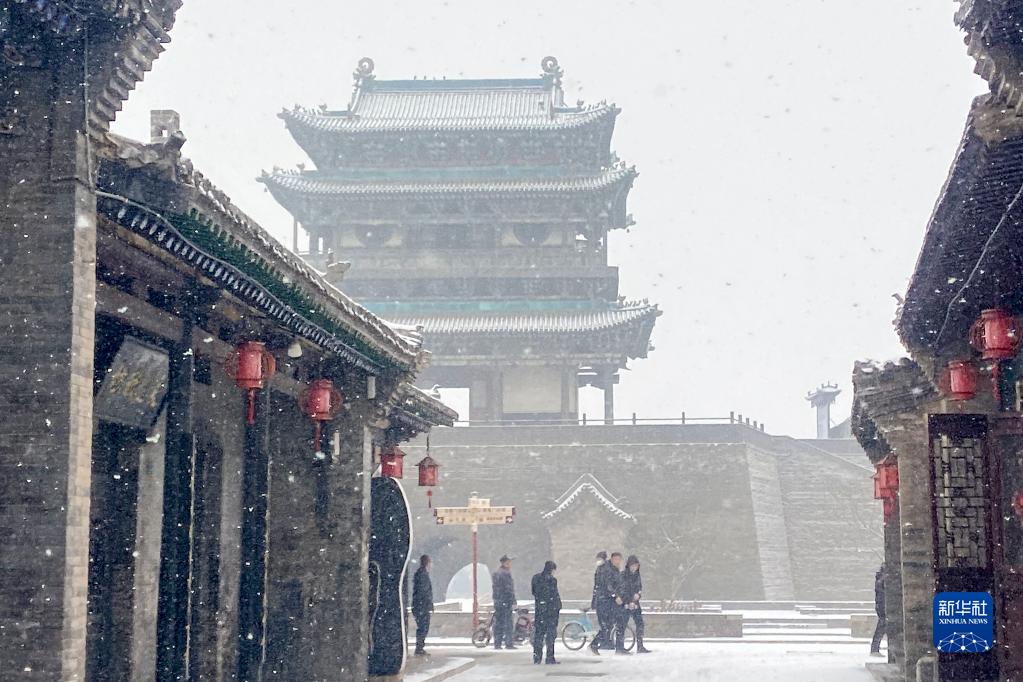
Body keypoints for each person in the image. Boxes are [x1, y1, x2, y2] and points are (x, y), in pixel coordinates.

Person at [531, 560, 563, 665]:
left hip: (540, 611)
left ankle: (537, 657)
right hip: (550, 612)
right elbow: (554, 596)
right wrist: (557, 607)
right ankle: (550, 657)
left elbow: (534, 592)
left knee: (539, 635)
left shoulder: (535, 578)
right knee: (550, 636)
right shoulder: (552, 580)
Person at [621, 555, 651, 653]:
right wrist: (629, 601)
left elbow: (639, 588)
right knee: (622, 625)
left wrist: (638, 595)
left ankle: (640, 645)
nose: (634, 568)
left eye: (636, 566)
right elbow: (623, 590)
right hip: (626, 604)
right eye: (632, 565)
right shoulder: (623, 575)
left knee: (640, 623)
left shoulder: (637, 576)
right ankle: (620, 646)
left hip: (635, 603)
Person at [589, 551, 615, 655]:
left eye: (599, 559)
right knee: (606, 625)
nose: (598, 561)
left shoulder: (605, 570)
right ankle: (603, 642)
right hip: (603, 600)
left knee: (606, 625)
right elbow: (597, 587)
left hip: (604, 600)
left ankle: (598, 643)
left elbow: (605, 586)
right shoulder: (600, 569)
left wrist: (612, 594)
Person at [492, 554, 517, 650]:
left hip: (498, 601)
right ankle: (508, 643)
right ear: (505, 563)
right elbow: (508, 589)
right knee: (508, 623)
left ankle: (497, 643)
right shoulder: (505, 574)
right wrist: (513, 600)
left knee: (499, 622)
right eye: (509, 562)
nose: (511, 564)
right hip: (505, 601)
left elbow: (496, 588)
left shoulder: (497, 573)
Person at [608, 552, 631, 655]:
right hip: (614, 603)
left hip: (621, 602)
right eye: (615, 559)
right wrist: (615, 596)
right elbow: (609, 586)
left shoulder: (618, 573)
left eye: (619, 559)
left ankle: (620, 647)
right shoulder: (610, 572)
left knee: (621, 626)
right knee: (617, 626)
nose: (617, 561)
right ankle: (618, 647)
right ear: (612, 560)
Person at [411, 555, 434, 656]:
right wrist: (428, 604)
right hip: (421, 606)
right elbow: (424, 592)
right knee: (423, 627)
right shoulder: (423, 575)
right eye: (430, 562)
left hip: (420, 605)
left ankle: (420, 647)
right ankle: (419, 648)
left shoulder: (421, 574)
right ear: (427, 563)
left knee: (423, 626)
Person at [871, 564, 887, 657]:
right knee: (881, 627)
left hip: (881, 605)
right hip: (883, 605)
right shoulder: (882, 578)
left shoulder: (880, 578)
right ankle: (874, 648)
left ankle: (875, 648)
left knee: (882, 627)